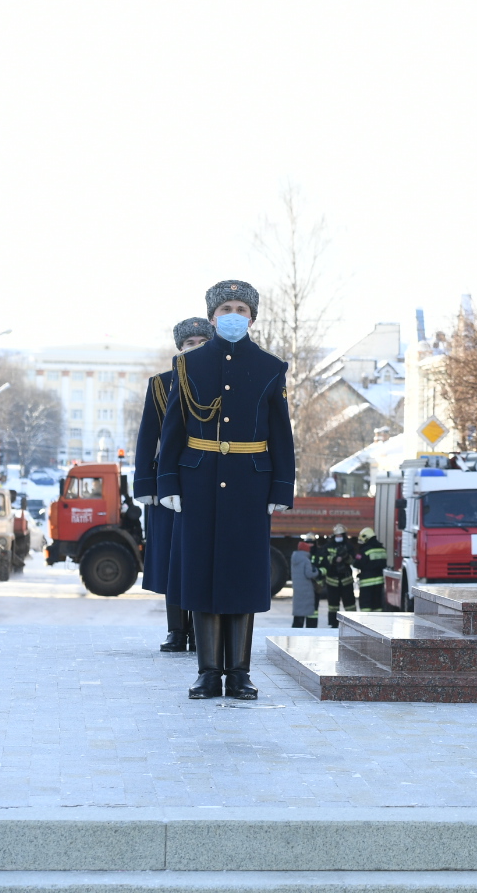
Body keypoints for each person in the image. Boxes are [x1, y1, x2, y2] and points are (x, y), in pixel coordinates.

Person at [158, 280, 295, 700]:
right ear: (213, 315)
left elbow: (280, 433)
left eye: (240, 308)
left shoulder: (271, 367)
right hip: (198, 481)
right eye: (225, 309)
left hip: (249, 484)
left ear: (252, 316)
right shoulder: (189, 365)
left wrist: (281, 485)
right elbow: (174, 429)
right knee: (200, 573)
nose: (233, 315)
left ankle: (238, 673)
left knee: (242, 575)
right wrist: (167, 481)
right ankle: (206, 671)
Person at [134, 317, 215, 653]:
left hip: (207, 483)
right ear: (180, 350)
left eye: (201, 342)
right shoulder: (161, 384)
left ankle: (200, 632)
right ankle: (175, 631)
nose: (195, 348)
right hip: (168, 487)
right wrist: (146, 485)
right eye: (189, 344)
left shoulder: (220, 383)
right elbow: (147, 437)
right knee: (172, 560)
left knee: (201, 559)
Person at [313, 524, 357, 627]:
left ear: (344, 535)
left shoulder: (349, 546)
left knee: (350, 605)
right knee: (333, 605)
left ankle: (353, 624)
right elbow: (323, 559)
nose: (338, 538)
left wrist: (346, 557)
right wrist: (334, 559)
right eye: (337, 536)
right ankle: (333, 624)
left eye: (340, 535)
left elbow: (354, 561)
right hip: (332, 581)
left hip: (346, 580)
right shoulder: (328, 547)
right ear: (333, 536)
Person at [354, 527, 387, 611]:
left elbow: (356, 564)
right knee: (377, 605)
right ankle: (377, 622)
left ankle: (366, 622)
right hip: (379, 582)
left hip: (366, 582)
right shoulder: (382, 549)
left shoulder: (365, 550)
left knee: (365, 605)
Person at [291, 537, 320, 628]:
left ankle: (296, 628)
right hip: (306, 589)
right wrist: (317, 572)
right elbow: (309, 574)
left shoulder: (294, 558)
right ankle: (309, 628)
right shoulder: (306, 560)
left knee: (299, 611)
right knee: (307, 610)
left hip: (297, 588)